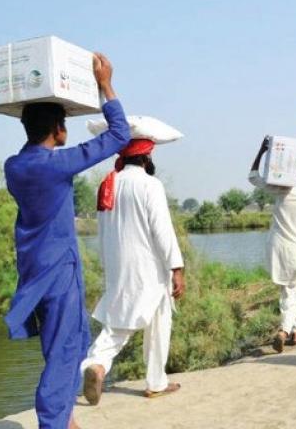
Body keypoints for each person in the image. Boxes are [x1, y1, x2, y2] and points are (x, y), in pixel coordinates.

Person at [3, 54, 129, 429]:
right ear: (58, 129)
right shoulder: (55, 164)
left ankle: (66, 417)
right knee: (64, 350)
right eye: (64, 125)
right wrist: (105, 85)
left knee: (64, 343)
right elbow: (119, 136)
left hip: (34, 268)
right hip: (58, 270)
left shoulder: (14, 166)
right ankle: (53, 422)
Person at [81, 138, 185, 405]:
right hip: (149, 266)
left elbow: (102, 230)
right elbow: (162, 230)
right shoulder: (150, 184)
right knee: (159, 322)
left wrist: (107, 264)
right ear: (146, 157)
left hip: (118, 266)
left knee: (118, 322)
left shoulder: (108, 184)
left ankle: (97, 364)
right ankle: (155, 382)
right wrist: (176, 266)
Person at [248, 138, 296, 352]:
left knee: (287, 292)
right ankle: (285, 330)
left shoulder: (281, 189)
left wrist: (261, 151)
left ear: (295, 173)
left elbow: (253, 177)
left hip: (276, 249)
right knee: (293, 291)